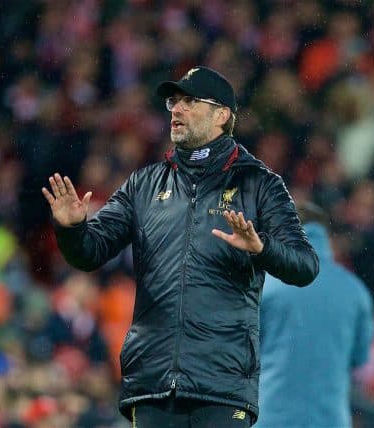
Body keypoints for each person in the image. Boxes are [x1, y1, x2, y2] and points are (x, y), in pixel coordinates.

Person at [42, 66, 319, 427]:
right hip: (153, 383)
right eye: (174, 101)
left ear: (222, 115)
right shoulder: (144, 184)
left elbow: (305, 266)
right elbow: (89, 253)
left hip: (222, 385)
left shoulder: (259, 184)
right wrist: (72, 229)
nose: (176, 109)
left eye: (190, 101)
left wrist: (261, 246)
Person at [256, 202, 374, 428]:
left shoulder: (265, 285)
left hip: (270, 417)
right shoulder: (355, 290)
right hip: (330, 419)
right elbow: (360, 358)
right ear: (326, 237)